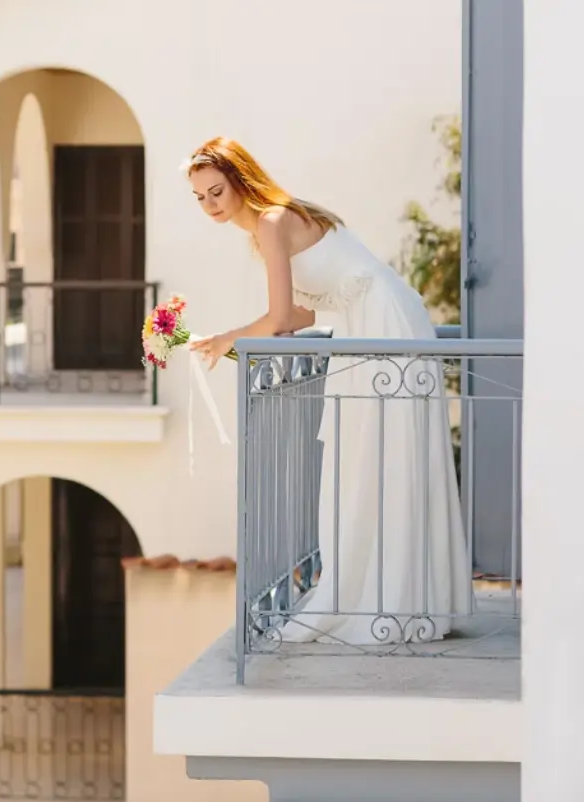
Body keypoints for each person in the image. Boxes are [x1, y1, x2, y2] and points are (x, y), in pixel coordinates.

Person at [187, 137, 471, 645]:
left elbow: (279, 318)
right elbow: (301, 315)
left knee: (382, 456)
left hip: (382, 323)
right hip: (370, 322)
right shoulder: (266, 230)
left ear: (240, 181)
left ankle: (395, 600)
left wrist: (226, 338)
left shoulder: (273, 221)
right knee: (365, 456)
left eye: (216, 192)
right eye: (200, 197)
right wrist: (226, 338)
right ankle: (386, 594)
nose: (210, 205)